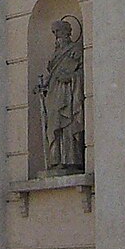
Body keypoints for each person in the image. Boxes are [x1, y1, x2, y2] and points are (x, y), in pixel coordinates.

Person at [35, 18, 84, 174]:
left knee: (68, 125)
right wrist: (43, 87)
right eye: (54, 33)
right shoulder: (56, 55)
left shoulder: (75, 50)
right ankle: (55, 160)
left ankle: (71, 161)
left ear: (67, 32)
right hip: (54, 93)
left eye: (58, 32)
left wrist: (72, 77)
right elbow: (52, 74)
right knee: (53, 125)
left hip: (68, 93)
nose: (56, 35)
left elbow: (82, 73)